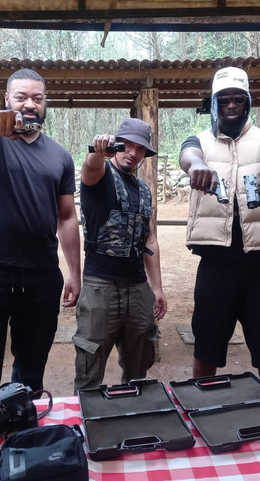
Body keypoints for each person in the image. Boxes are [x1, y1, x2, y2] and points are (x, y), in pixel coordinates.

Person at [0, 68, 81, 399]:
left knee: (30, 376)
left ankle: (25, 441)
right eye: (21, 97)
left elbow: (68, 217)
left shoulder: (60, 156)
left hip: (41, 275)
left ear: (45, 104)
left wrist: (74, 272)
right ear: (8, 99)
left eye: (37, 98)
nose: (30, 104)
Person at [178, 66, 260, 379]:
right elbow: (187, 156)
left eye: (238, 99)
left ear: (247, 102)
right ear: (214, 104)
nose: (231, 105)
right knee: (206, 343)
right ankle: (201, 406)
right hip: (215, 261)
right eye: (224, 100)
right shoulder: (200, 141)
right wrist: (198, 165)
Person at [73, 118, 167, 392]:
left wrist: (157, 287)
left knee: (139, 367)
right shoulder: (99, 177)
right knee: (90, 370)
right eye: (127, 145)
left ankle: (135, 421)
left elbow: (149, 239)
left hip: (138, 289)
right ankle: (90, 427)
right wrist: (96, 152)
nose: (133, 153)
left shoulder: (143, 190)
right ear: (116, 144)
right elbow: (90, 167)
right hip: (100, 288)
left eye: (140, 149)